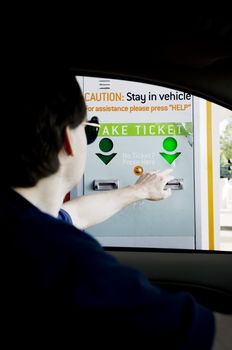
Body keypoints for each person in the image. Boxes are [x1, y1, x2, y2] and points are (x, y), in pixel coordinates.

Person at [0, 69, 228, 349]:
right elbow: (214, 337)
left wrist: (140, 190)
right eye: (90, 131)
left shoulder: (19, 224)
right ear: (68, 140)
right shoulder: (57, 256)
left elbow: (76, 214)